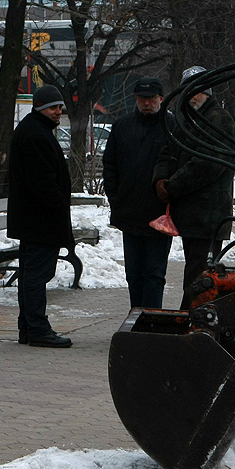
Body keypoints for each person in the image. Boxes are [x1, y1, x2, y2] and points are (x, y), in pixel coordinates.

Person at [153, 66, 235, 310]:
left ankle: (194, 322)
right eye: (188, 89)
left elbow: (207, 164)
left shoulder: (218, 119)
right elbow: (168, 150)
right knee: (195, 271)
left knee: (200, 276)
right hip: (193, 215)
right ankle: (194, 321)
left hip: (209, 216)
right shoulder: (185, 119)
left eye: (198, 89)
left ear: (207, 91)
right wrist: (159, 179)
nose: (193, 95)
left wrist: (172, 186)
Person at [7, 84, 74, 348]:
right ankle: (36, 328)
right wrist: (58, 207)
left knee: (31, 275)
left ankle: (28, 327)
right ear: (41, 108)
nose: (59, 111)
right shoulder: (36, 135)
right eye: (54, 107)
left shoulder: (34, 129)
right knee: (36, 276)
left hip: (33, 220)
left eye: (60, 107)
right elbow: (43, 184)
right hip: (40, 221)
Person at [103, 77, 174, 309]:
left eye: (151, 98)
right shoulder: (122, 126)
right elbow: (110, 164)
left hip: (159, 214)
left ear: (161, 99)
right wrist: (115, 197)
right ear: (135, 99)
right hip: (129, 211)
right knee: (133, 274)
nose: (147, 103)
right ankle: (137, 318)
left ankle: (152, 319)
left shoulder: (171, 126)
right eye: (142, 98)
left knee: (154, 273)